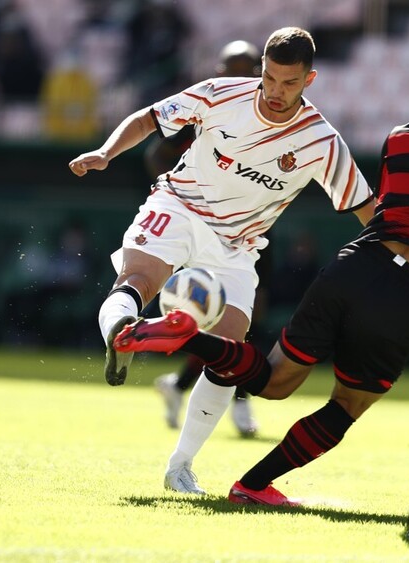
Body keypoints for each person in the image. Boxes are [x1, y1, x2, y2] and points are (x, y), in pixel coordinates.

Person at [113, 51, 409, 505]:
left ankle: (183, 335)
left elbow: (391, 205)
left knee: (272, 379)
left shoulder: (401, 138)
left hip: (355, 264)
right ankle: (251, 484)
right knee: (346, 405)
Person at [68, 27, 374, 495]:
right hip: (178, 207)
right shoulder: (220, 94)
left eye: (289, 83)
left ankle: (179, 467)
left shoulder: (322, 142)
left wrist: (402, 268)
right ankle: (121, 334)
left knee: (231, 353)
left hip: (236, 247)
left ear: (309, 80)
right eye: (270, 78)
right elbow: (150, 118)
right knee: (136, 280)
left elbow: (366, 209)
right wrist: (107, 153)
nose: (275, 91)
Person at [148, 40, 264, 438]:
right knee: (217, 318)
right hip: (205, 228)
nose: (241, 75)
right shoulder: (207, 113)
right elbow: (157, 153)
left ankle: (180, 386)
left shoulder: (274, 114)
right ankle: (240, 404)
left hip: (250, 229)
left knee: (245, 319)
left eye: (248, 68)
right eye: (233, 67)